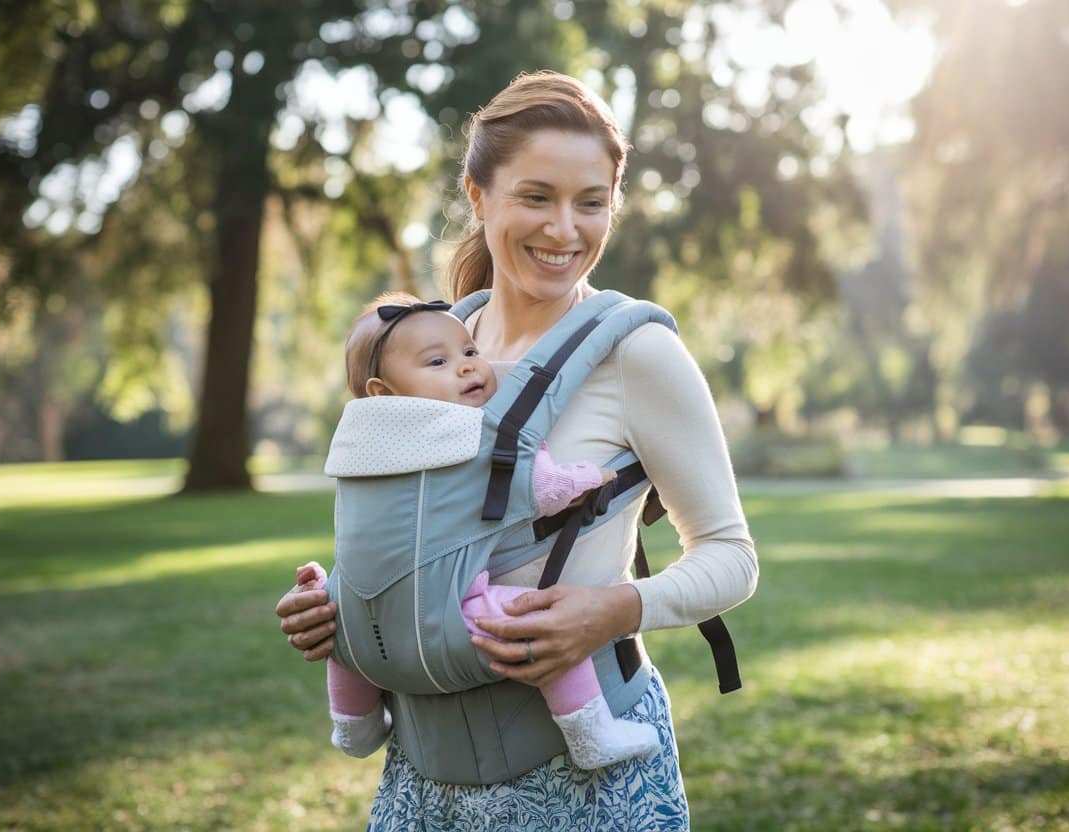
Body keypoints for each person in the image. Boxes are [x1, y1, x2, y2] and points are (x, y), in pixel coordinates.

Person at [275, 70, 758, 830]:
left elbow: (732, 555)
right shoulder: (426, 350)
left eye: (590, 203)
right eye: (536, 197)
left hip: (582, 779)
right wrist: (336, 603)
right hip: (422, 778)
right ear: (478, 195)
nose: (565, 230)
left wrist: (612, 610)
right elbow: (415, 517)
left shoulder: (636, 353)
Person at [306, 290, 661, 770]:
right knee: (540, 631)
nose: (467, 367)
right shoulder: (467, 442)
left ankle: (354, 724)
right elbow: (540, 485)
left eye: (470, 351)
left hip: (358, 615)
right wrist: (590, 478)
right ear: (382, 394)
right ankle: (591, 732)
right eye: (438, 361)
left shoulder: (357, 453)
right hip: (449, 615)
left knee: (343, 628)